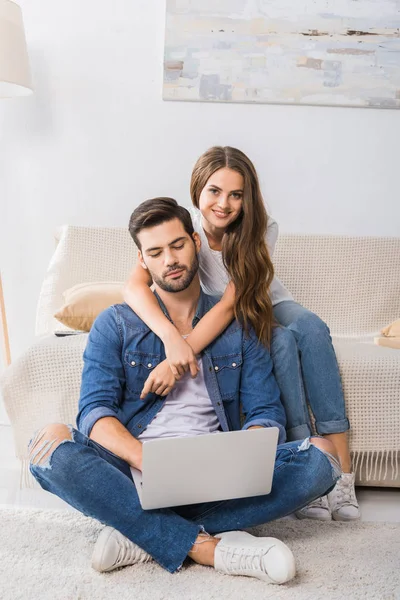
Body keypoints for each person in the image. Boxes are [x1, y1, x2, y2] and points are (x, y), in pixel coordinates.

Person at [29, 198, 341, 584]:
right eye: (156, 252)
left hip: (215, 470)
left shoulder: (238, 326)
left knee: (323, 458)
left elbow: (265, 412)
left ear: (195, 241)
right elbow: (94, 413)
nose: (170, 259)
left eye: (177, 245)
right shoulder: (116, 323)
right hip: (135, 469)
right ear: (142, 260)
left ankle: (138, 532)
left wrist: (244, 457)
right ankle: (203, 545)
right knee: (48, 446)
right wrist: (149, 462)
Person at [124, 146, 360, 522]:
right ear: (197, 189)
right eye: (215, 191)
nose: (225, 203)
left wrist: (181, 355)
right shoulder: (185, 234)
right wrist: (172, 342)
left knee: (311, 327)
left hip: (263, 302)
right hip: (231, 318)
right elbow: (133, 288)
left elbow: (232, 304)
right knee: (280, 343)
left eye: (236, 194)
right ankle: (306, 461)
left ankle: (343, 471)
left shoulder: (260, 228)